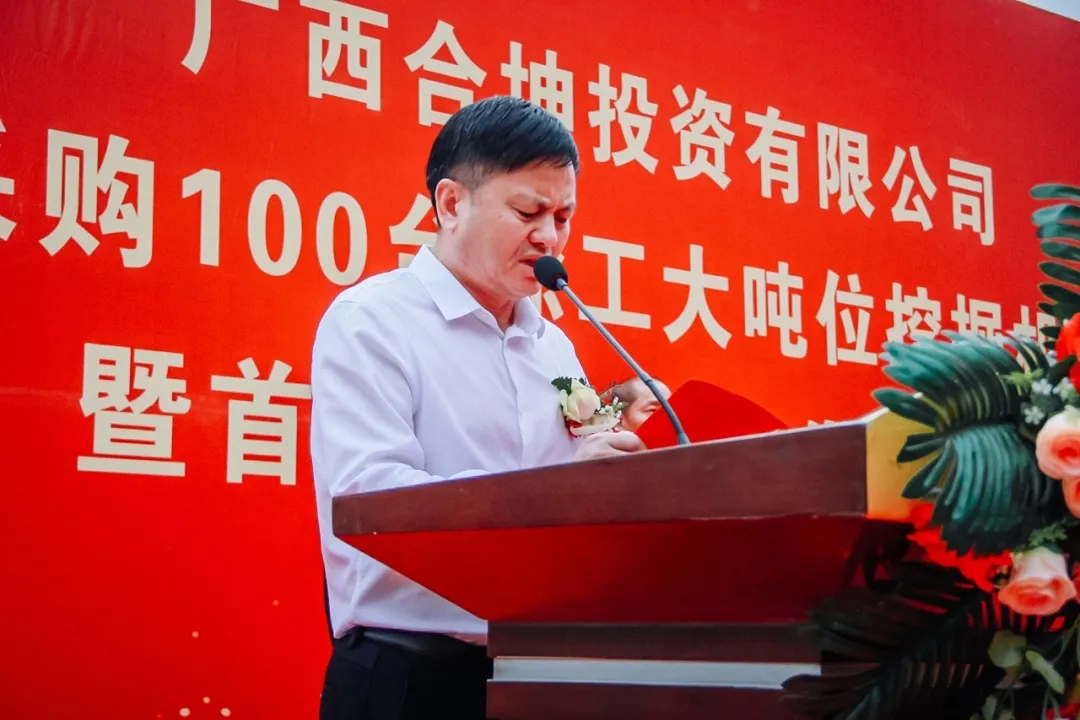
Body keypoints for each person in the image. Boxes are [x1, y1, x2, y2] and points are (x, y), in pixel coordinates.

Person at [309, 96, 647, 720]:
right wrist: (558, 489)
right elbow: (372, 499)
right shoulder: (371, 322)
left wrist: (624, 440)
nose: (550, 237)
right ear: (450, 204)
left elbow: (584, 447)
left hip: (540, 675)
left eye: (564, 217)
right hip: (410, 678)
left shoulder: (554, 346)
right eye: (528, 212)